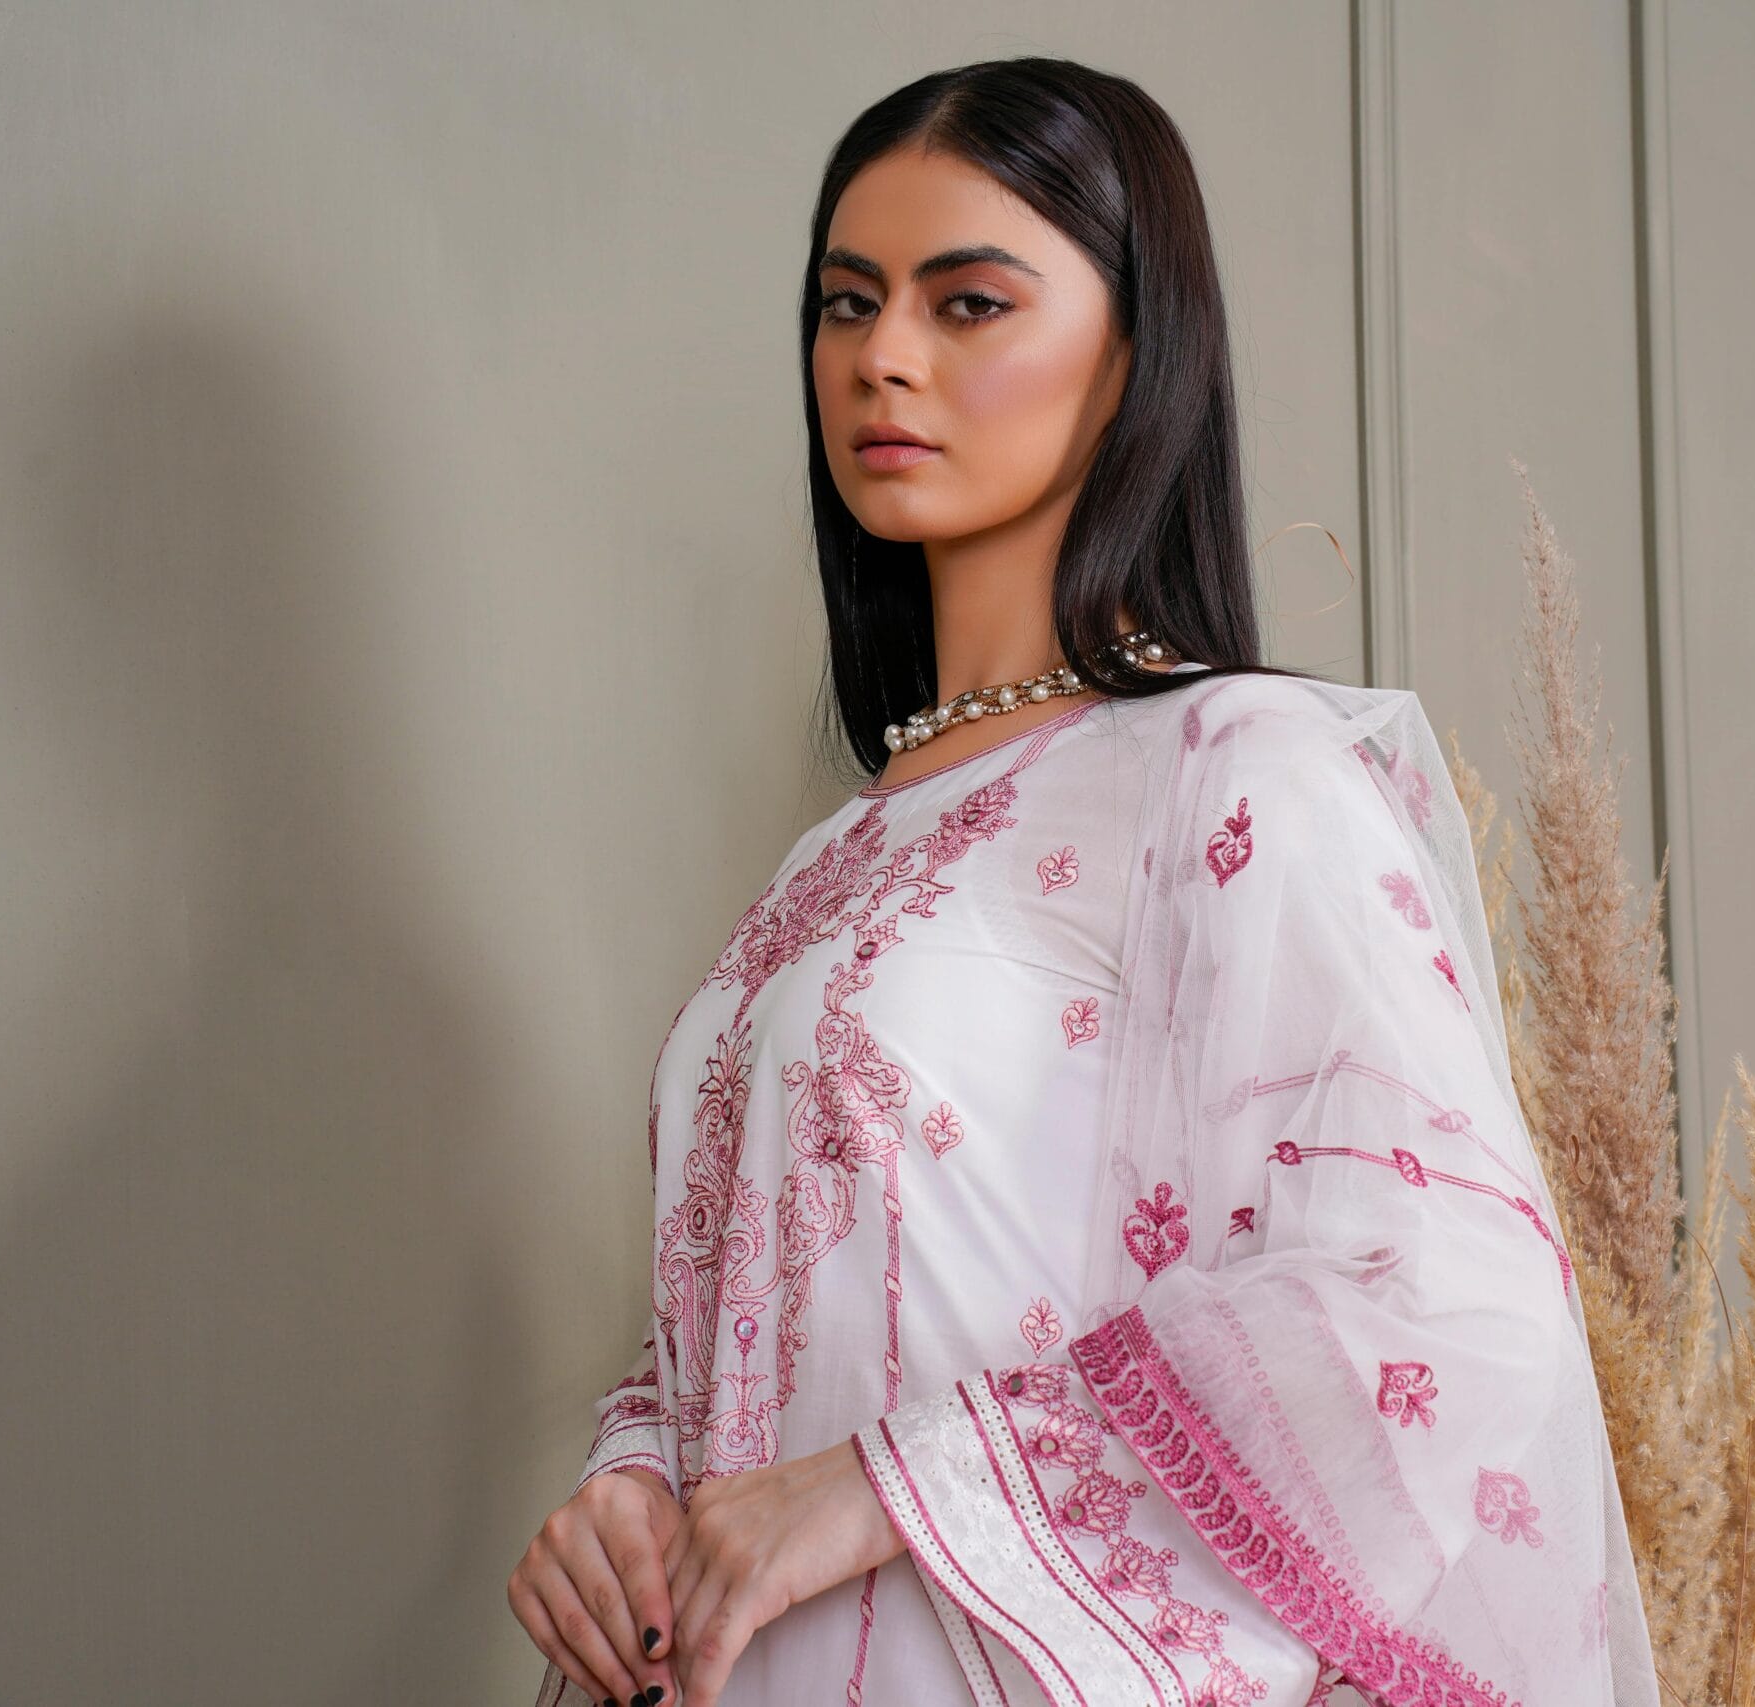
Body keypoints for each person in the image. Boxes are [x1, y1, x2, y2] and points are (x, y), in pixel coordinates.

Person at [508, 56, 1663, 1707]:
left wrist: (879, 1490)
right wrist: (631, 1479)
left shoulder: (1235, 772)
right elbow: (793, 1305)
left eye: (968, 302)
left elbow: (1446, 1301)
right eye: (847, 303)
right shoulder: (831, 860)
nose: (882, 355)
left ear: (1135, 353)